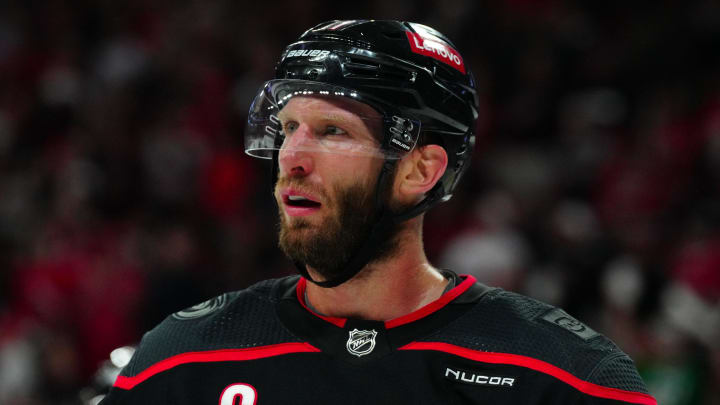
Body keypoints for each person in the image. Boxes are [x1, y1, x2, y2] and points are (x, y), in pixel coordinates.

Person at [100, 20, 657, 404]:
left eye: (332, 132)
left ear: (420, 170)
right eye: (289, 128)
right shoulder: (181, 361)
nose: (291, 157)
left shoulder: (565, 377)